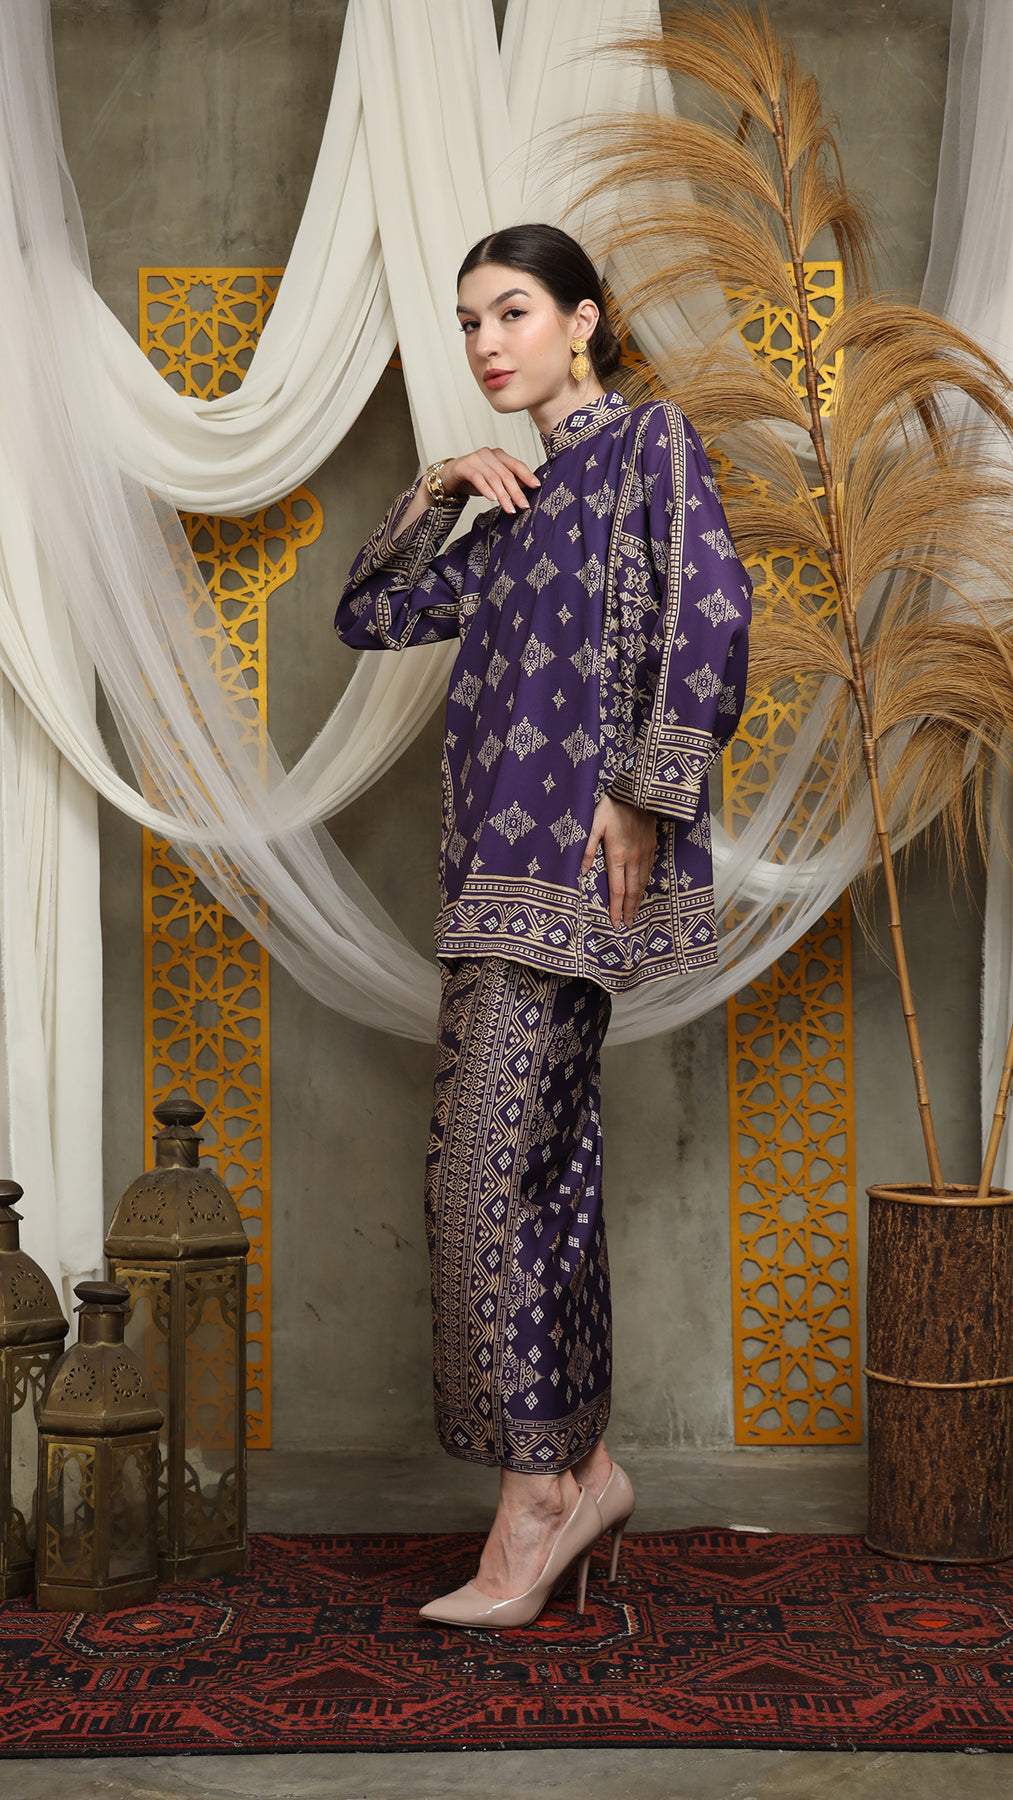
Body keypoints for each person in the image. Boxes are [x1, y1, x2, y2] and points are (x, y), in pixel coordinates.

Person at [335, 223, 751, 1629]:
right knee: (537, 1177)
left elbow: (711, 615)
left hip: (573, 872)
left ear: (581, 319)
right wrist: (438, 485)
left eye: (510, 311)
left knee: (486, 1178)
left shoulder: (648, 446)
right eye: (467, 322)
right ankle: (580, 1473)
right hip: (484, 881)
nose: (484, 343)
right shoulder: (512, 504)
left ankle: (536, 1501)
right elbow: (372, 613)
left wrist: (640, 795)